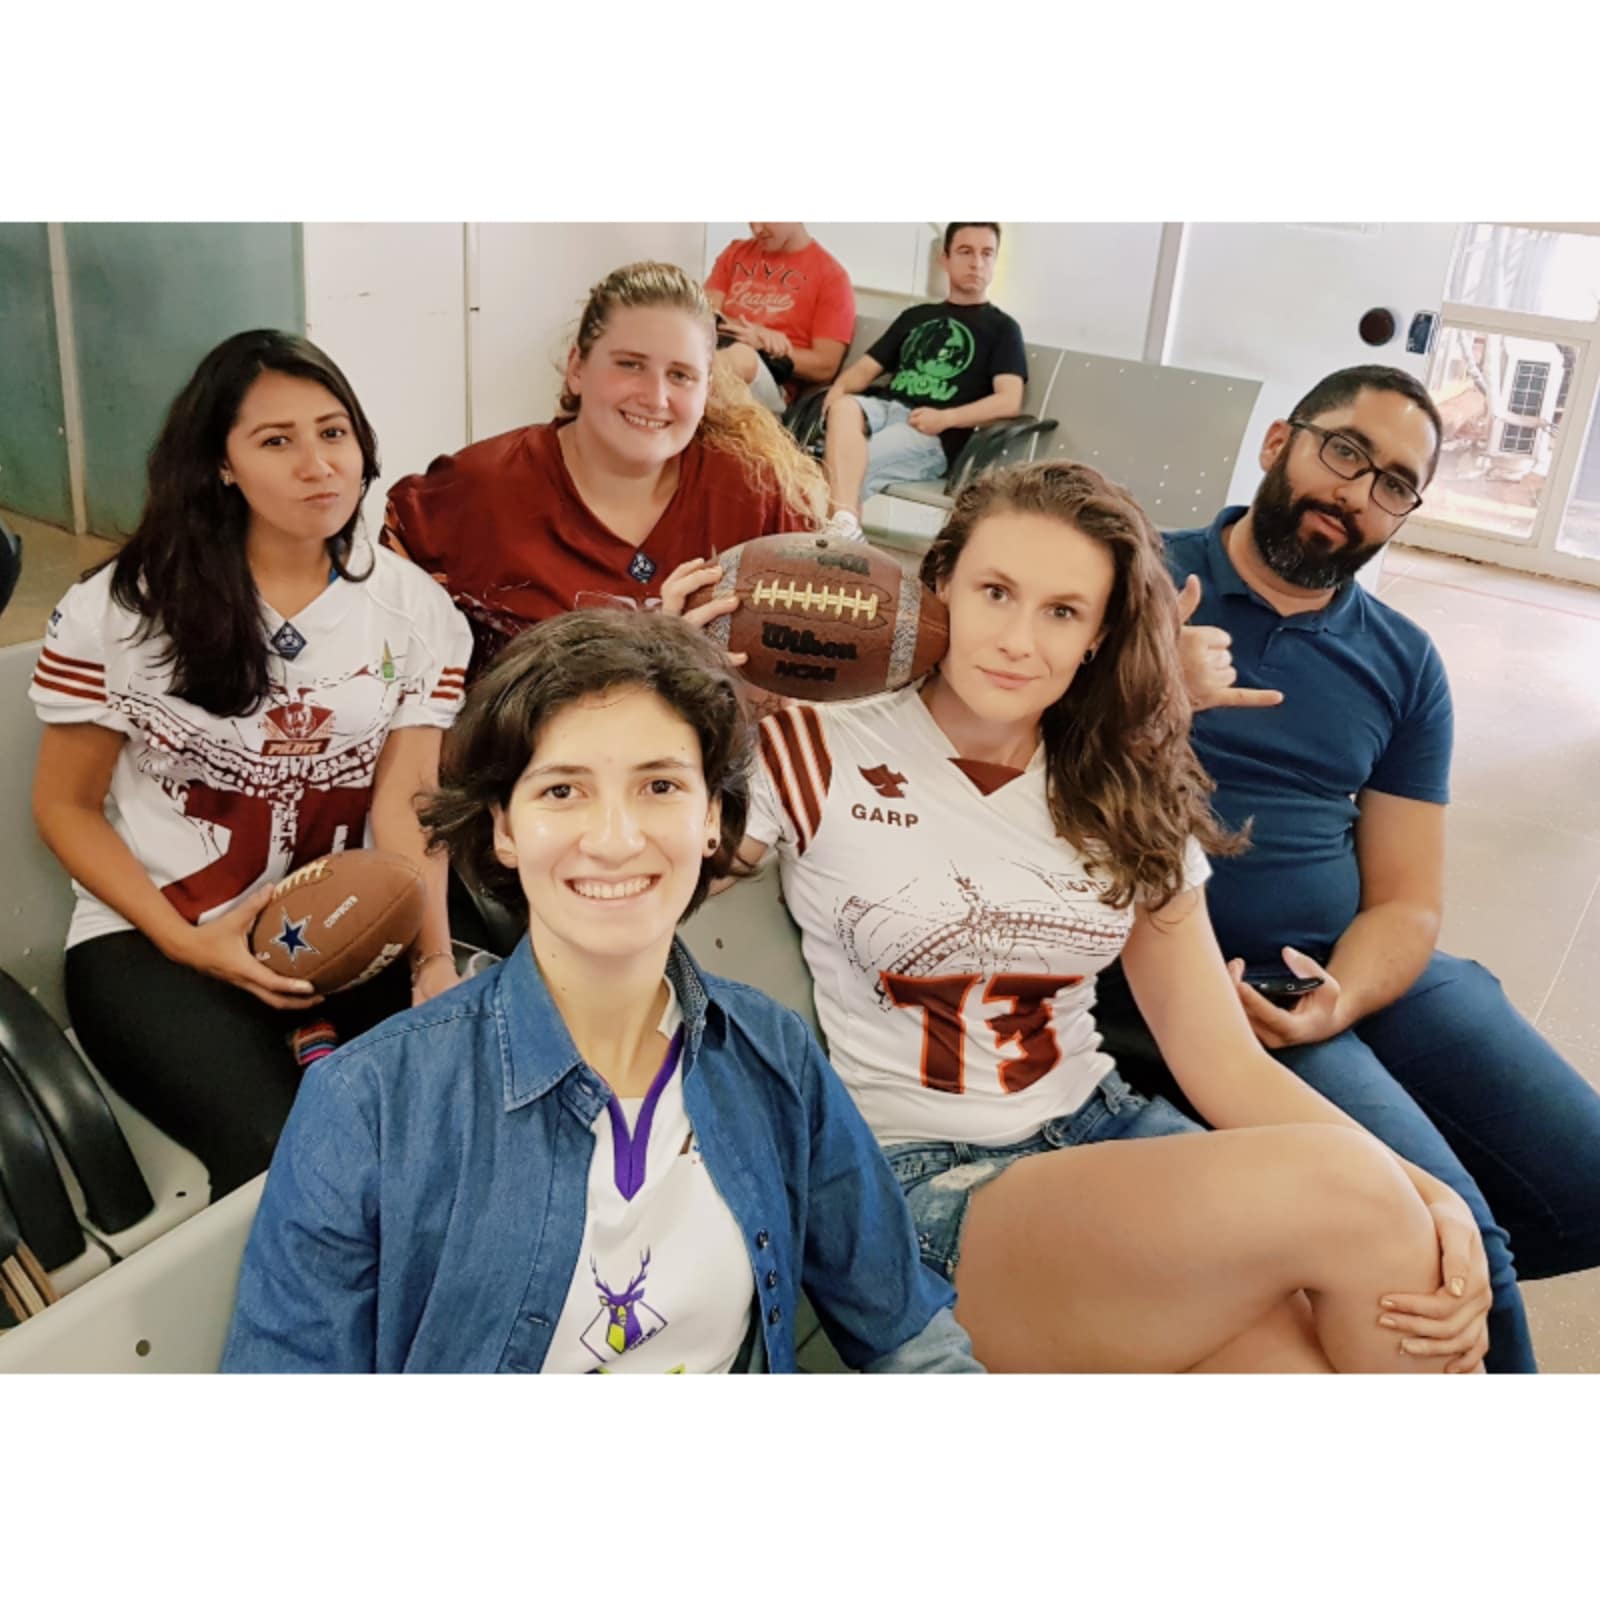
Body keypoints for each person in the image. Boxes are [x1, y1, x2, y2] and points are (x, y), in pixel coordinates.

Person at [731, 460, 1493, 1373]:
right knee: (1356, 1198)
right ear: (940, 588)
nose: (1019, 640)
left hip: (1107, 1138)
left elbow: (1221, 1062)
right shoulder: (810, 745)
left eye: (1062, 611)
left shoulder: (1123, 785)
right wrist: (690, 680)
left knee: (1322, 1363)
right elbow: (663, 861)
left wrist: (1435, 1201)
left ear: (1099, 635)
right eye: (996, 593)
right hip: (927, 1187)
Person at [222, 610, 981, 1374]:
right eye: (562, 791)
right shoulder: (370, 1103)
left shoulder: (771, 1051)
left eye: (660, 785)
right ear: (503, 831)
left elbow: (908, 1337)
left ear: (712, 818)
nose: (615, 838)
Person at [1098, 362, 1600, 1374]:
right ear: (1279, 439)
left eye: (1393, 484)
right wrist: (1151, 689)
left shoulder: (1403, 661)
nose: (1357, 493)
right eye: (1344, 452)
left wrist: (1344, 994)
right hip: (1207, 987)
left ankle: (1341, 1293)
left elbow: (1410, 897)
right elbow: (994, 743)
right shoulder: (1133, 576)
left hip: (1347, 973)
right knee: (1451, 1249)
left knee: (1583, 1182)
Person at [29, 330, 471, 1199]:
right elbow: (66, 807)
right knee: (283, 1159)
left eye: (334, 432)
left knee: (451, 1120)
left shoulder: (415, 611)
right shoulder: (121, 610)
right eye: (277, 441)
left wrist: (431, 962)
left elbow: (407, 804)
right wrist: (185, 942)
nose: (319, 465)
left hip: (344, 927)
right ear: (221, 464)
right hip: (152, 939)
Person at [381, 260, 837, 679]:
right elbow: (380, 647)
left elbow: (808, 669)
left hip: (706, 762)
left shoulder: (756, 495)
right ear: (577, 368)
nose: (655, 397)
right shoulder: (476, 491)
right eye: (630, 365)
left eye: (680, 375)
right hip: (520, 760)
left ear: (707, 388)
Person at [821, 223, 1026, 530]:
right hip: (884, 409)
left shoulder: (1002, 328)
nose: (977, 263)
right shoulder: (916, 317)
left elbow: (1009, 401)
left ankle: (834, 538)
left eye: (987, 254)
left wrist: (947, 418)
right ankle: (844, 530)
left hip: (931, 432)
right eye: (966, 251)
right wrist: (836, 393)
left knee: (846, 467)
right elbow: (864, 370)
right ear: (944, 258)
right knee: (843, 409)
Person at [705, 222, 855, 413]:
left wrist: (773, 349)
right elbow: (703, 314)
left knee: (742, 356)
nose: (757, 229)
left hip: (772, 382)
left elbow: (825, 366)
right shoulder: (736, 253)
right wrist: (754, 333)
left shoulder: (832, 277)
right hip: (715, 353)